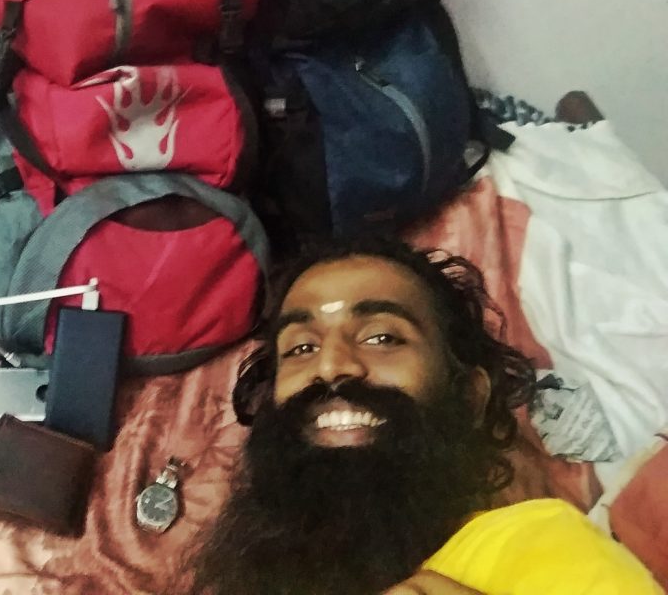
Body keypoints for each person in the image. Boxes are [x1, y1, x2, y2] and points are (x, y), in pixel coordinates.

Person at [185, 237, 663, 595]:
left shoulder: (537, 547)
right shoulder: (246, 571)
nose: (329, 366)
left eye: (382, 338)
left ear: (470, 396)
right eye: (301, 348)